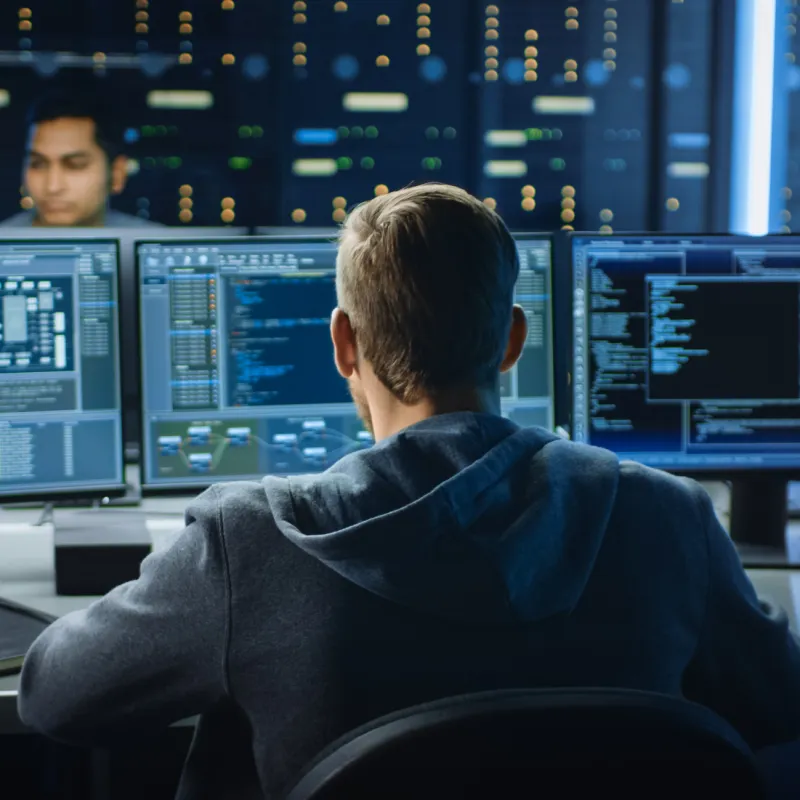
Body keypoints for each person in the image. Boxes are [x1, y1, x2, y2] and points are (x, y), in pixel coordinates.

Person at [17, 184, 800, 798]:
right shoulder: (669, 520)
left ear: (342, 343)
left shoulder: (250, 543)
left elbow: (54, 699)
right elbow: (782, 711)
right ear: (513, 342)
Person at [0, 90, 162, 228]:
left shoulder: (154, 245)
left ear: (117, 174)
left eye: (75, 165)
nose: (53, 186)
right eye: (37, 164)